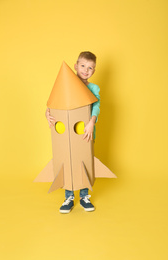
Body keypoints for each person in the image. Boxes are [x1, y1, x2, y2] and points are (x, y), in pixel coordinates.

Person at [46, 51, 100, 213]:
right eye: (83, 66)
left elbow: (96, 106)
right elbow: (53, 103)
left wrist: (91, 122)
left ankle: (84, 196)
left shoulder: (93, 88)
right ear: (76, 66)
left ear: (94, 71)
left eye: (90, 68)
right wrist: (46, 113)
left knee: (82, 162)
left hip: (85, 133)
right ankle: (68, 197)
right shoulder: (65, 83)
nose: (86, 70)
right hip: (66, 136)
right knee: (67, 162)